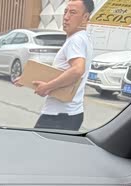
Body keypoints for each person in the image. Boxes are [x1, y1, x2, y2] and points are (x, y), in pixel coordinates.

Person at [26, 0, 94, 131]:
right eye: (65, 12)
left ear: (85, 17)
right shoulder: (82, 38)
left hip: (59, 116)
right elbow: (62, 71)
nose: (66, 17)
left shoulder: (76, 40)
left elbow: (77, 70)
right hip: (68, 114)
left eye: (73, 13)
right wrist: (27, 79)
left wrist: (47, 87)